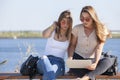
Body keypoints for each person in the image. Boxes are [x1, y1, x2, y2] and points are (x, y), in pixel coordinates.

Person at [68, 6, 113, 80]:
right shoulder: (77, 28)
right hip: (78, 60)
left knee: (108, 61)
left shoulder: (101, 29)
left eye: (87, 19)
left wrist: (95, 63)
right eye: (82, 19)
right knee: (77, 66)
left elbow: (99, 48)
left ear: (93, 18)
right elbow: (72, 45)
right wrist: (70, 58)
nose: (84, 21)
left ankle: (84, 78)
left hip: (92, 60)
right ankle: (88, 76)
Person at [37, 10, 73, 80]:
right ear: (59, 21)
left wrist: (71, 67)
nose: (65, 25)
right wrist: (53, 26)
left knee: (51, 72)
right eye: (63, 22)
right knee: (46, 63)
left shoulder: (70, 36)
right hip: (45, 60)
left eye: (68, 23)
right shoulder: (53, 31)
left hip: (58, 63)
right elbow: (44, 35)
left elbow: (70, 54)